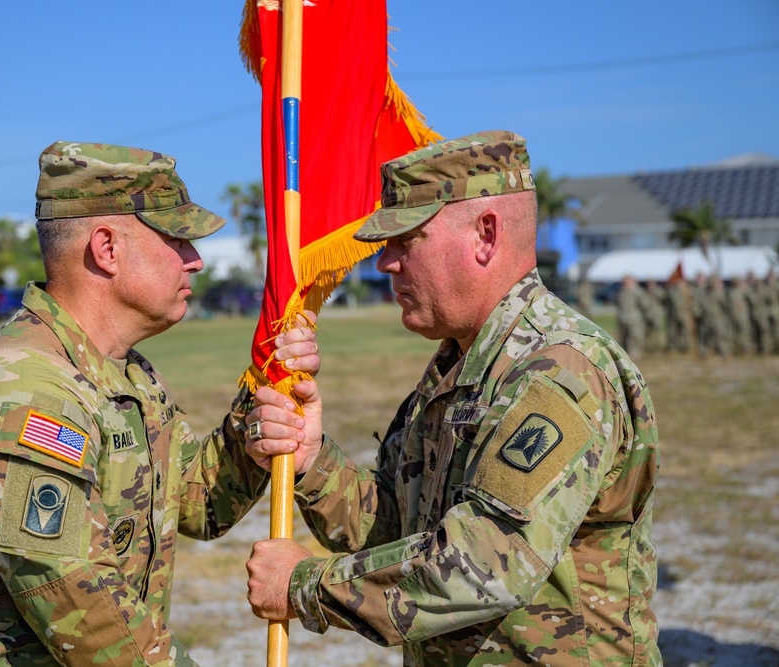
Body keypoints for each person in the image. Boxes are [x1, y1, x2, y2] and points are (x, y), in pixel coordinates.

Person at [0, 142, 320, 667]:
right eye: (177, 238)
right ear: (106, 248)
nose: (196, 260)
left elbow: (198, 505)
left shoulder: (127, 373)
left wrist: (258, 414)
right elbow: (88, 617)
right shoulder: (22, 393)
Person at [243, 131, 660, 666]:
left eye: (406, 241)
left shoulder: (557, 371)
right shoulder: (457, 366)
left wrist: (307, 584)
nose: (384, 264)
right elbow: (402, 529)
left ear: (485, 235)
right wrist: (312, 462)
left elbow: (487, 560)